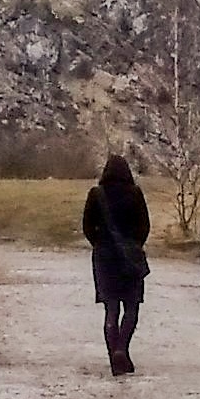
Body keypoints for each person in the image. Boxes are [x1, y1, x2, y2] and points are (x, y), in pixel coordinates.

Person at [79, 153, 150, 375]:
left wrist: (99, 244)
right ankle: (122, 349)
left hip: (104, 257)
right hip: (130, 257)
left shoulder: (96, 194)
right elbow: (144, 225)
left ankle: (114, 356)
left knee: (111, 308)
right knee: (131, 307)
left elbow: (87, 226)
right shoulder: (135, 193)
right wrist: (134, 246)